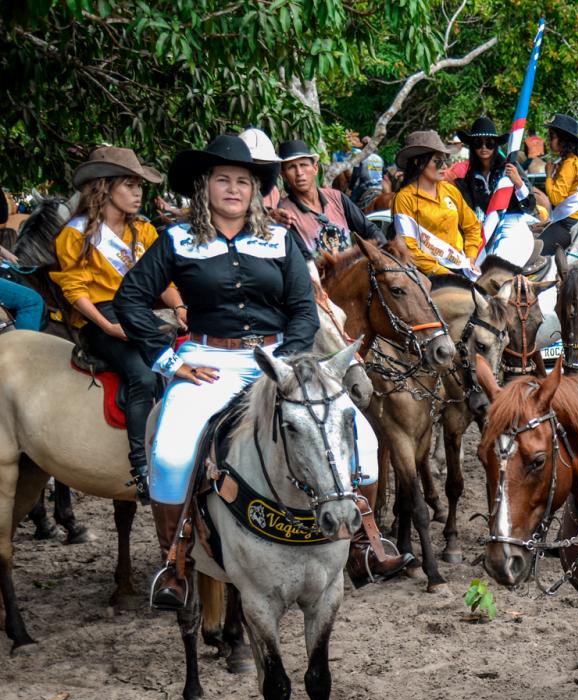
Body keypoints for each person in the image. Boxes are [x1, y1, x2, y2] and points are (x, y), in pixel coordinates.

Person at [114, 133, 385, 607]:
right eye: (223, 180)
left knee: (363, 436)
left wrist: (292, 364)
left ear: (256, 189)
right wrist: (168, 361)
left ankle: (363, 545)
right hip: (207, 362)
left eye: (244, 181)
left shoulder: (279, 239)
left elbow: (303, 307)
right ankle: (175, 562)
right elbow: (130, 300)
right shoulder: (176, 240)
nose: (234, 189)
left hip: (279, 361)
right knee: (172, 455)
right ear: (205, 186)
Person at [50, 146, 182, 500]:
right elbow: (75, 288)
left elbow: (164, 282)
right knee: (142, 374)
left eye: (140, 186)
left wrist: (181, 307)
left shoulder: (146, 232)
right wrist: (107, 327)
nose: (139, 193)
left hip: (138, 312)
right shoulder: (75, 234)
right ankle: (142, 467)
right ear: (105, 187)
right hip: (100, 318)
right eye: (129, 185)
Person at [391, 130, 483, 278]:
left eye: (445, 160)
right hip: (426, 275)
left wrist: (471, 258)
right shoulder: (404, 198)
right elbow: (409, 247)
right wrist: (444, 272)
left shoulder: (450, 190)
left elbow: (472, 227)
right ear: (417, 162)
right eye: (437, 161)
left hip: (461, 267)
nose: (444, 166)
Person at [274, 140, 379, 260]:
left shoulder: (337, 197)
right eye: (291, 167)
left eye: (303, 165)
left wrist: (386, 253)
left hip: (351, 275)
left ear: (315, 168)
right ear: (283, 175)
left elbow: (369, 229)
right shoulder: (284, 212)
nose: (299, 173)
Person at [457, 115, 528, 225]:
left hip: (512, 223)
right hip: (484, 227)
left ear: (495, 145)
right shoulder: (471, 176)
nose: (484, 147)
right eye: (478, 143)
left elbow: (530, 203)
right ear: (472, 147)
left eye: (489, 143)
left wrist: (518, 183)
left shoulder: (510, 167)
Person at [540, 114, 578, 254]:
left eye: (552, 137)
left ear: (563, 140)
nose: (549, 141)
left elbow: (556, 198)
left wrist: (549, 175)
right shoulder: (575, 160)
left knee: (536, 251)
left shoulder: (570, 163)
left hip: (567, 222)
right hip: (572, 219)